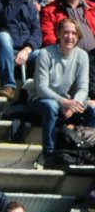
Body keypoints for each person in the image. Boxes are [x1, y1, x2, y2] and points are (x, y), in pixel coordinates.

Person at [27, 18, 94, 167]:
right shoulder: (45, 54)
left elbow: (83, 88)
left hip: (69, 102)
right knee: (51, 106)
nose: (69, 37)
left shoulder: (82, 56)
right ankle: (48, 153)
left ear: (78, 36)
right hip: (41, 99)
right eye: (66, 32)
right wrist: (64, 102)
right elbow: (41, 89)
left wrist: (73, 104)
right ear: (58, 34)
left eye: (73, 33)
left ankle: (88, 150)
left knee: (93, 109)